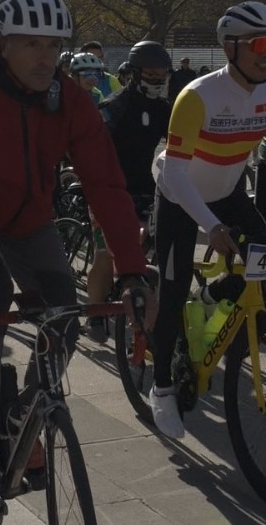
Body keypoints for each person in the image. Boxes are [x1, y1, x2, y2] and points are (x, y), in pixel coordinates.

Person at [0, 0, 155, 517]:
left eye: (54, 45)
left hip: (30, 216)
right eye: (30, 44)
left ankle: (27, 418)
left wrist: (133, 273)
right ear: (1, 45)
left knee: (64, 314)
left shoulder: (69, 98)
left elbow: (107, 186)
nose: (45, 57)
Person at [148, 1, 266, 437]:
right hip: (179, 196)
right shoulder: (198, 96)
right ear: (230, 47)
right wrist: (210, 226)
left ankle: (212, 299)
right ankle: (162, 388)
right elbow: (173, 170)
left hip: (226, 193)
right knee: (171, 293)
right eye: (259, 44)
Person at [87, 39, 173, 341]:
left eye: (162, 74)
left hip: (145, 188)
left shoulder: (163, 109)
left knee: (157, 245)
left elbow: (179, 145)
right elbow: (91, 151)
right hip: (108, 190)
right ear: (135, 73)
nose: (157, 80)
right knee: (105, 254)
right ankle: (95, 313)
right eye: (150, 74)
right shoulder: (114, 107)